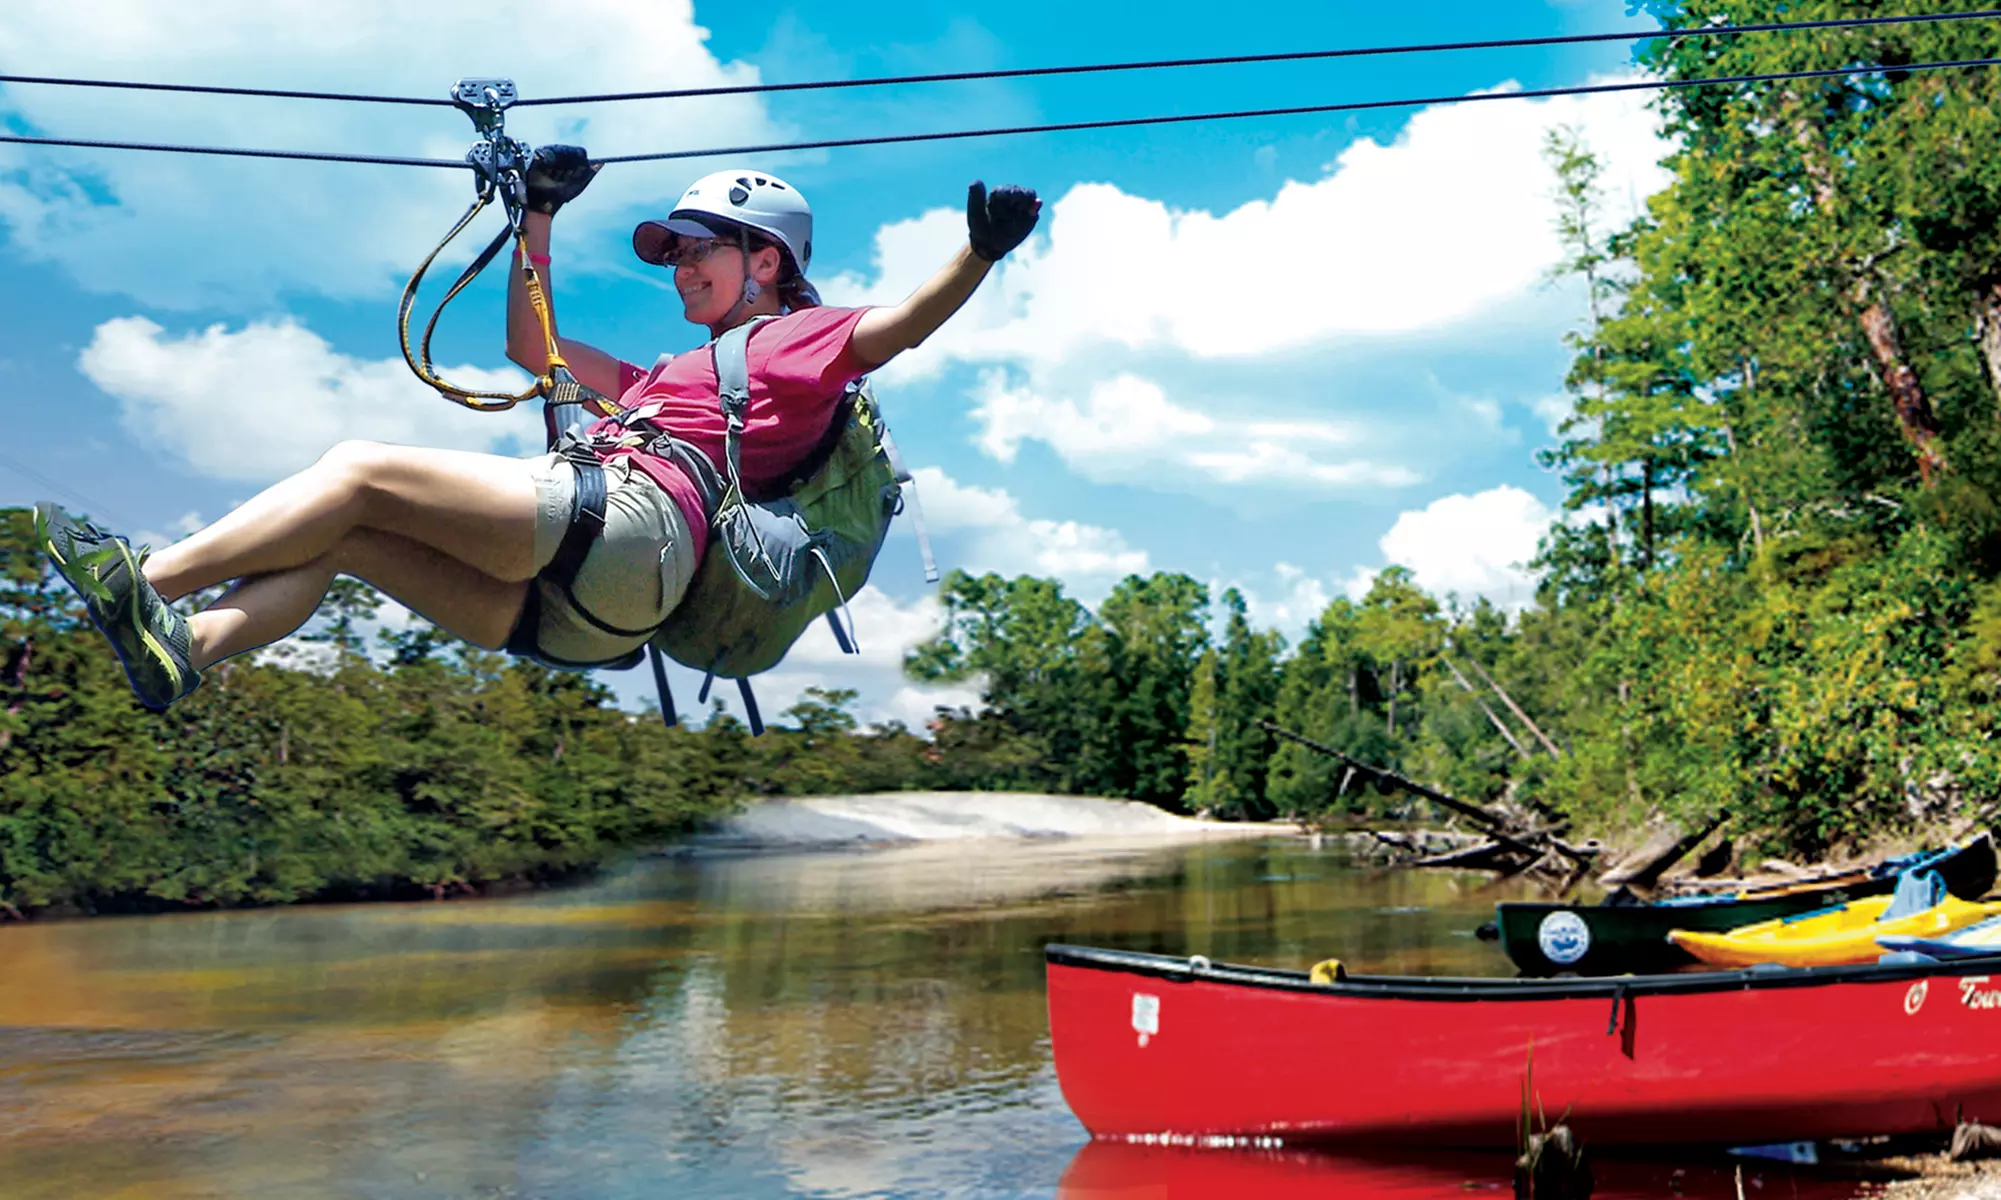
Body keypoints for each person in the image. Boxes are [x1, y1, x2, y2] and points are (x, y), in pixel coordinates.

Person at [36, 151, 1041, 710]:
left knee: (357, 470)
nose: (682, 268)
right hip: (590, 615)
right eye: (674, 254)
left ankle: (146, 580)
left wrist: (977, 256)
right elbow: (533, 343)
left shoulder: (791, 341)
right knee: (343, 538)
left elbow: (895, 330)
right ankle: (188, 647)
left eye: (700, 249)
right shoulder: (664, 378)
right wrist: (540, 216)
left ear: (767, 261)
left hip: (638, 529)